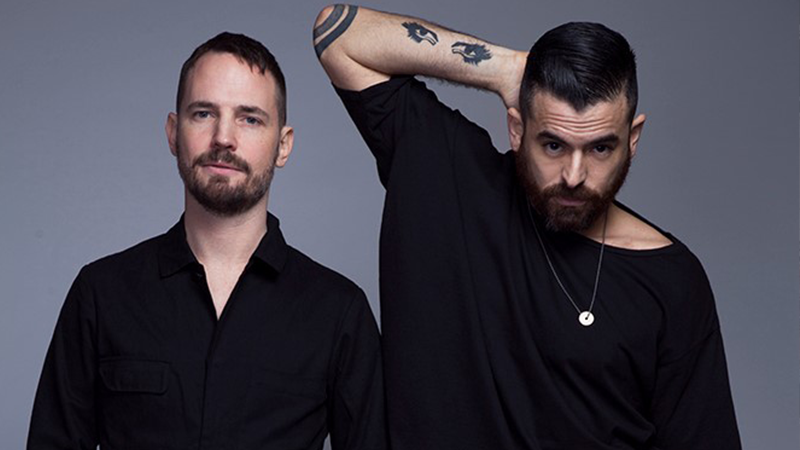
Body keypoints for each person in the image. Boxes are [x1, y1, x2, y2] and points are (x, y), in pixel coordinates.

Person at [313, 5, 740, 449]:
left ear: (632, 140)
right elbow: (339, 35)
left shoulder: (671, 281)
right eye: (553, 145)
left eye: (600, 148)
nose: (573, 175)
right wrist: (510, 68)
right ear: (516, 129)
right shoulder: (451, 175)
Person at [28, 32, 385, 450]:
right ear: (173, 133)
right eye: (203, 113)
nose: (223, 138)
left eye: (250, 118)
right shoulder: (101, 294)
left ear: (283, 145)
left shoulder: (339, 312)